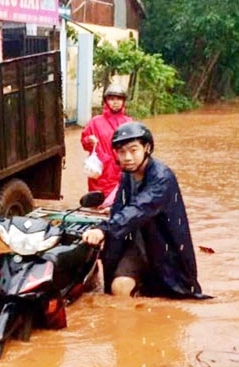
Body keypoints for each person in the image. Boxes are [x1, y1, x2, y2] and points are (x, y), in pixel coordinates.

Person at [82, 121, 209, 299]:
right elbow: (121, 207)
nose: (127, 157)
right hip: (136, 243)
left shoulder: (162, 177)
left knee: (172, 296)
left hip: (163, 245)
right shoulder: (127, 174)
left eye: (133, 150)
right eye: (121, 152)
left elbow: (139, 208)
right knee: (119, 287)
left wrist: (104, 229)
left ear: (146, 148)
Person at [80, 84, 132, 205]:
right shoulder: (95, 122)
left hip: (122, 170)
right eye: (112, 99)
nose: (115, 102)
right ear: (106, 101)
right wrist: (89, 140)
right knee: (98, 204)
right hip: (101, 172)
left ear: (123, 101)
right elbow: (84, 143)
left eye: (119, 99)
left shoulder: (128, 122)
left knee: (122, 203)